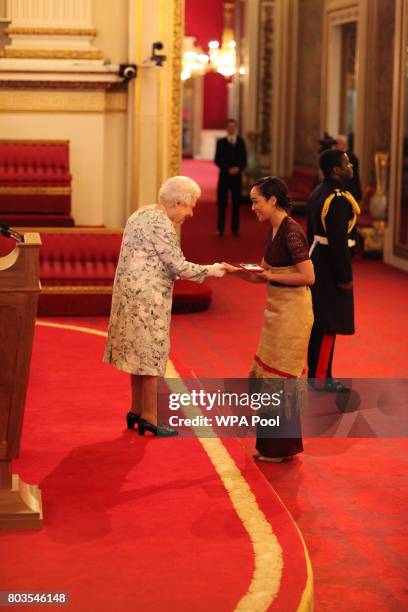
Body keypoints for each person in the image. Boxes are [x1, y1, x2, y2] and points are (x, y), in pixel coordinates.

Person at [104, 176, 225, 436]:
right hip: (148, 300)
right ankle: (150, 417)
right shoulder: (162, 224)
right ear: (178, 202)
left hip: (128, 295)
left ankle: (136, 410)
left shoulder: (141, 213)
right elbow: (178, 266)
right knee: (149, 354)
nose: (191, 213)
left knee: (136, 353)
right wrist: (212, 270)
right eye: (190, 206)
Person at [223, 176, 314, 462]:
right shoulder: (273, 230)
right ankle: (273, 446)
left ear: (272, 200)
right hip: (276, 311)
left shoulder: (291, 231)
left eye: (255, 201)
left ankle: (280, 448)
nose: (252, 207)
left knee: (280, 379)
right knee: (268, 377)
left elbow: (309, 277)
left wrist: (272, 276)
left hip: (294, 313)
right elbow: (263, 272)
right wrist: (234, 270)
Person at [306, 148, 360, 392]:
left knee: (321, 322)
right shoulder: (337, 198)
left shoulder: (320, 191)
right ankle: (320, 378)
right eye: (347, 163)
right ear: (336, 170)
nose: (352, 167)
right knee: (329, 324)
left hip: (318, 258)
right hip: (330, 265)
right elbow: (337, 241)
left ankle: (320, 374)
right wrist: (344, 277)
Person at [214, 118, 247, 236]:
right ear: (227, 128)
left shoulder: (241, 142)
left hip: (237, 177)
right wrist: (227, 168)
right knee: (222, 203)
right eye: (229, 126)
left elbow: (244, 160)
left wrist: (238, 168)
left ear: (235, 128)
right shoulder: (221, 142)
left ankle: (235, 228)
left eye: (233, 126)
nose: (231, 128)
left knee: (236, 203)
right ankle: (220, 229)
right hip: (224, 176)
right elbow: (217, 159)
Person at [336, 134, 362, 202]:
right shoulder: (341, 156)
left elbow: (351, 177)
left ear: (343, 144)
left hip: (350, 191)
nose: (336, 146)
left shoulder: (351, 157)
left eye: (338, 144)